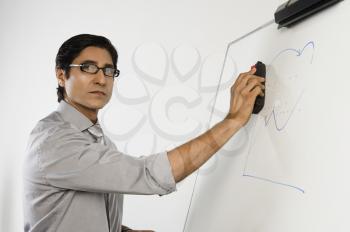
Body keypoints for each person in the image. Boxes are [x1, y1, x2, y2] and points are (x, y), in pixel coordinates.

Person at [23, 34, 265, 232]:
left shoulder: (97, 139)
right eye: (88, 68)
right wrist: (233, 120)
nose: (101, 79)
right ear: (61, 74)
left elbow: (71, 214)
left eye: (108, 70)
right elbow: (147, 174)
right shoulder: (54, 141)